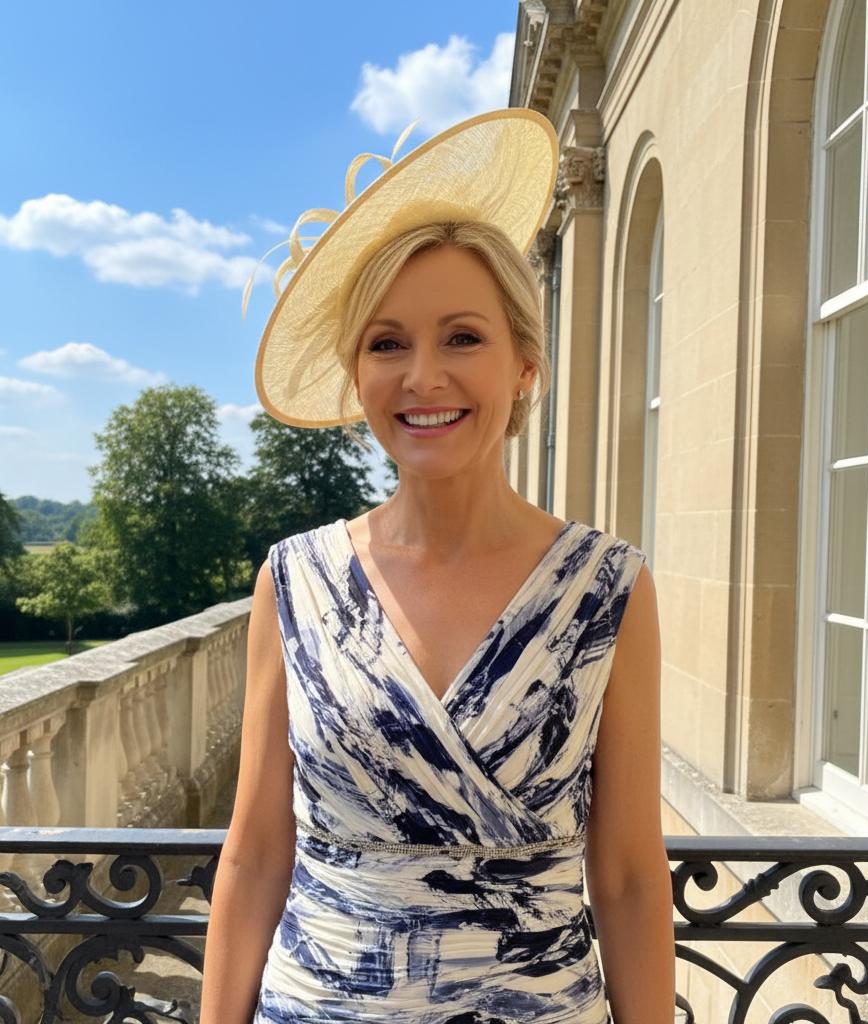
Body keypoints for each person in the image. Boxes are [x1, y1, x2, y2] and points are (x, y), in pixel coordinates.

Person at [199, 109, 674, 1024]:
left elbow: (625, 875)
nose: (423, 377)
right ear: (357, 374)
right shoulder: (293, 583)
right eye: (388, 343)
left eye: (462, 337)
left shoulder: (608, 589)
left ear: (524, 364)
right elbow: (255, 855)